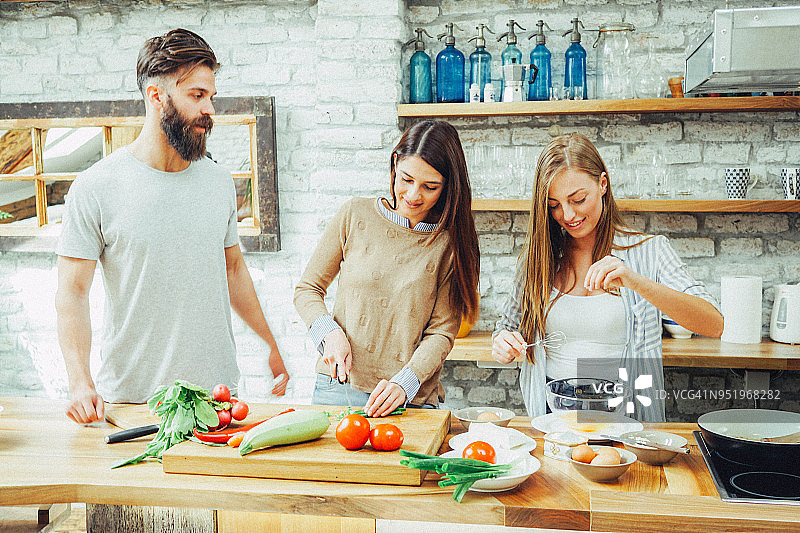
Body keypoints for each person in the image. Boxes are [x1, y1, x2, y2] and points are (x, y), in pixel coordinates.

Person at [55, 28, 289, 424]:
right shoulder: (96, 187)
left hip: (217, 400)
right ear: (156, 96)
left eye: (211, 97)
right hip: (133, 401)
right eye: (197, 96)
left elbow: (233, 269)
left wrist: (269, 342)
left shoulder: (217, 181)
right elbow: (72, 291)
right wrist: (79, 381)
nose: (209, 109)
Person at [492, 133, 723, 422]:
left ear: (603, 184)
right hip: (551, 417)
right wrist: (503, 340)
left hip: (627, 420)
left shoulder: (649, 251)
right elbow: (507, 326)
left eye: (578, 199)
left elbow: (713, 324)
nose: (568, 214)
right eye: (554, 205)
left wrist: (634, 281)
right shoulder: (538, 259)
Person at [294, 120, 480, 417]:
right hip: (338, 388)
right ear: (395, 163)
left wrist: (404, 384)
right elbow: (307, 289)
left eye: (429, 187)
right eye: (406, 179)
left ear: (447, 187)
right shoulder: (355, 214)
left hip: (409, 399)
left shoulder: (449, 244)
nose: (413, 195)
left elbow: (442, 333)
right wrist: (329, 333)